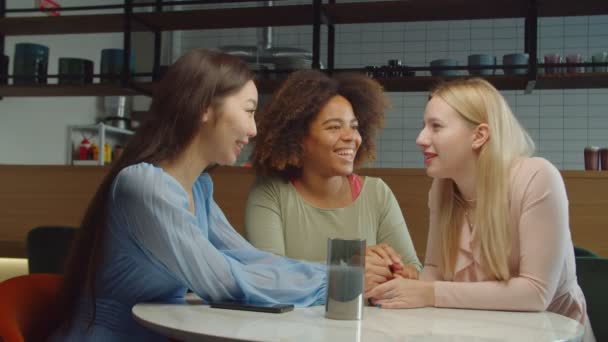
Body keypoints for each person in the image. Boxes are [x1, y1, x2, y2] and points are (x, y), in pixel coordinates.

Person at [50, 49, 327, 342]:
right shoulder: (144, 186)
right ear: (204, 107)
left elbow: (248, 259)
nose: (253, 129)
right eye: (249, 111)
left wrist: (341, 274)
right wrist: (331, 281)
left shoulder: (199, 188)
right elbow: (222, 281)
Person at [365, 78, 595, 341]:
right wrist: (407, 284)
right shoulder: (442, 188)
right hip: (478, 331)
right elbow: (434, 271)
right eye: (423, 126)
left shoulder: (538, 177)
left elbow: (535, 294)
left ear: (479, 135)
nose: (420, 139)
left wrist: (428, 292)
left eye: (436, 127)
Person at [245, 70, 421, 288]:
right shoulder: (271, 192)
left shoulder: (377, 193)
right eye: (334, 127)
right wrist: (350, 268)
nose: (351, 137)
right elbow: (269, 275)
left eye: (354, 127)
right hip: (294, 323)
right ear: (298, 137)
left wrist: (395, 270)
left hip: (367, 322)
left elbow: (413, 267)